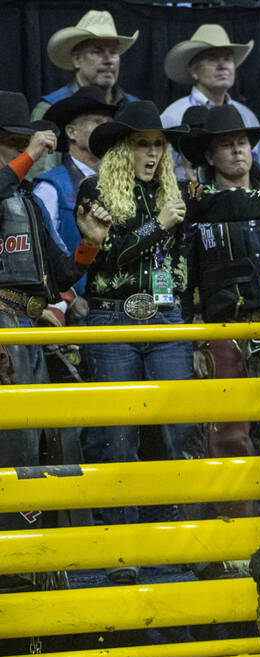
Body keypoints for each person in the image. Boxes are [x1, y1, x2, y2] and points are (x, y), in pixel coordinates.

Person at [77, 100, 260, 585]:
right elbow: (103, 256)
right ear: (122, 149)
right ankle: (119, 547)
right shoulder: (93, 191)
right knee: (117, 436)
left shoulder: (183, 191)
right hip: (112, 318)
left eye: (158, 144)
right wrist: (159, 223)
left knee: (184, 434)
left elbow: (234, 202)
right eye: (143, 144)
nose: (153, 153)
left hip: (170, 322)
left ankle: (189, 541)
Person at [0, 91, 112, 591]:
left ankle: (50, 563)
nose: (18, 151)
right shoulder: (16, 183)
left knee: (51, 444)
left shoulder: (26, 200)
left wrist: (89, 243)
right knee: (14, 445)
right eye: (10, 143)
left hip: (28, 329)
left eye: (17, 143)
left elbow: (61, 272)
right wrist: (28, 157)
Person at [179, 105, 260, 535]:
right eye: (226, 144)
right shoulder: (197, 209)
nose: (239, 150)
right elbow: (185, 276)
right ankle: (235, 529)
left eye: (243, 142)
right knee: (229, 433)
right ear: (209, 156)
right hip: (225, 328)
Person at [31, 10, 140, 176]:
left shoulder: (134, 106)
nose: (108, 60)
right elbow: (39, 176)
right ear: (76, 59)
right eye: (96, 52)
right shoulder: (50, 108)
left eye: (114, 52)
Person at [160, 25, 260, 178]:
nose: (222, 66)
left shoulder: (247, 117)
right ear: (193, 71)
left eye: (228, 59)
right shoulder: (172, 117)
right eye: (212, 59)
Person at [33, 86, 115, 280]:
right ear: (71, 132)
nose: (106, 129)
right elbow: (38, 250)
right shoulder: (51, 187)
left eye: (109, 124)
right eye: (97, 122)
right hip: (69, 298)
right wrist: (66, 298)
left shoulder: (122, 184)